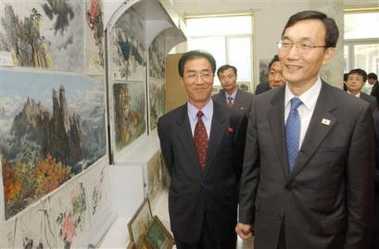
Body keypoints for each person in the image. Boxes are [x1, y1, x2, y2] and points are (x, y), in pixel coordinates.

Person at [236, 10, 375, 249]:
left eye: (305, 45)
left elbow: (359, 196)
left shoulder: (353, 112)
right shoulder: (260, 104)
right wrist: (246, 215)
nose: (291, 55)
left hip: (323, 236)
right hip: (269, 231)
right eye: (286, 43)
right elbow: (252, 167)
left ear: (328, 53)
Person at [158, 50, 247, 249]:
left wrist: (245, 214)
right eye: (191, 74)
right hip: (185, 216)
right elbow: (173, 167)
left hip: (223, 216)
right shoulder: (167, 124)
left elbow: (240, 168)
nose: (199, 81)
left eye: (205, 73)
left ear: (213, 78)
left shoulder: (235, 119)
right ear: (182, 80)